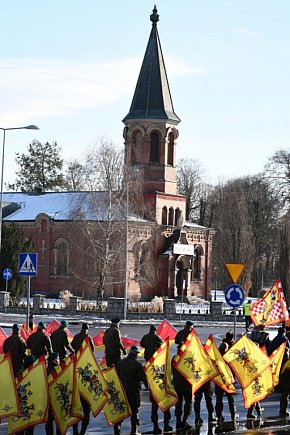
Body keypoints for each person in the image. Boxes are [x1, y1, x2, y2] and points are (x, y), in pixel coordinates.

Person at [140, 325, 172, 434]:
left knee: (148, 373)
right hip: (155, 363)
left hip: (148, 360)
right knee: (165, 403)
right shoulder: (157, 338)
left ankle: (155, 425)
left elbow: (141, 344)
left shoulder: (145, 336)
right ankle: (166, 424)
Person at [116, 345, 147, 435]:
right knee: (135, 411)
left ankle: (117, 430)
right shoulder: (137, 365)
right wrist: (148, 386)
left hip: (122, 391)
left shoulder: (120, 363)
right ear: (135, 354)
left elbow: (115, 375)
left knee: (121, 410)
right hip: (133, 391)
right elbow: (144, 379)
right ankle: (134, 431)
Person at [71, 323, 94, 435]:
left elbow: (72, 347)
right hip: (85, 365)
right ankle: (82, 432)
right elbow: (92, 350)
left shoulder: (76, 337)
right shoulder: (88, 338)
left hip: (76, 365)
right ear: (87, 330)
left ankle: (75, 430)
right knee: (86, 412)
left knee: (76, 410)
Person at [173, 320, 194, 432]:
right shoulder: (190, 361)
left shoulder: (175, 359)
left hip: (177, 384)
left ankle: (178, 422)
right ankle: (184, 421)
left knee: (179, 403)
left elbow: (176, 340)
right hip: (187, 384)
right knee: (188, 402)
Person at [215, 342, 237, 422]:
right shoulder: (227, 358)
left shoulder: (216, 358)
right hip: (228, 381)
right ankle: (233, 414)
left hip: (219, 382)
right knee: (230, 399)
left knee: (219, 399)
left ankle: (219, 415)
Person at [45, 352, 61, 435]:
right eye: (57, 359)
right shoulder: (53, 370)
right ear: (53, 360)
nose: (58, 360)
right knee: (58, 419)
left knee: (50, 420)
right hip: (54, 397)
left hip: (50, 398)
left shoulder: (48, 368)